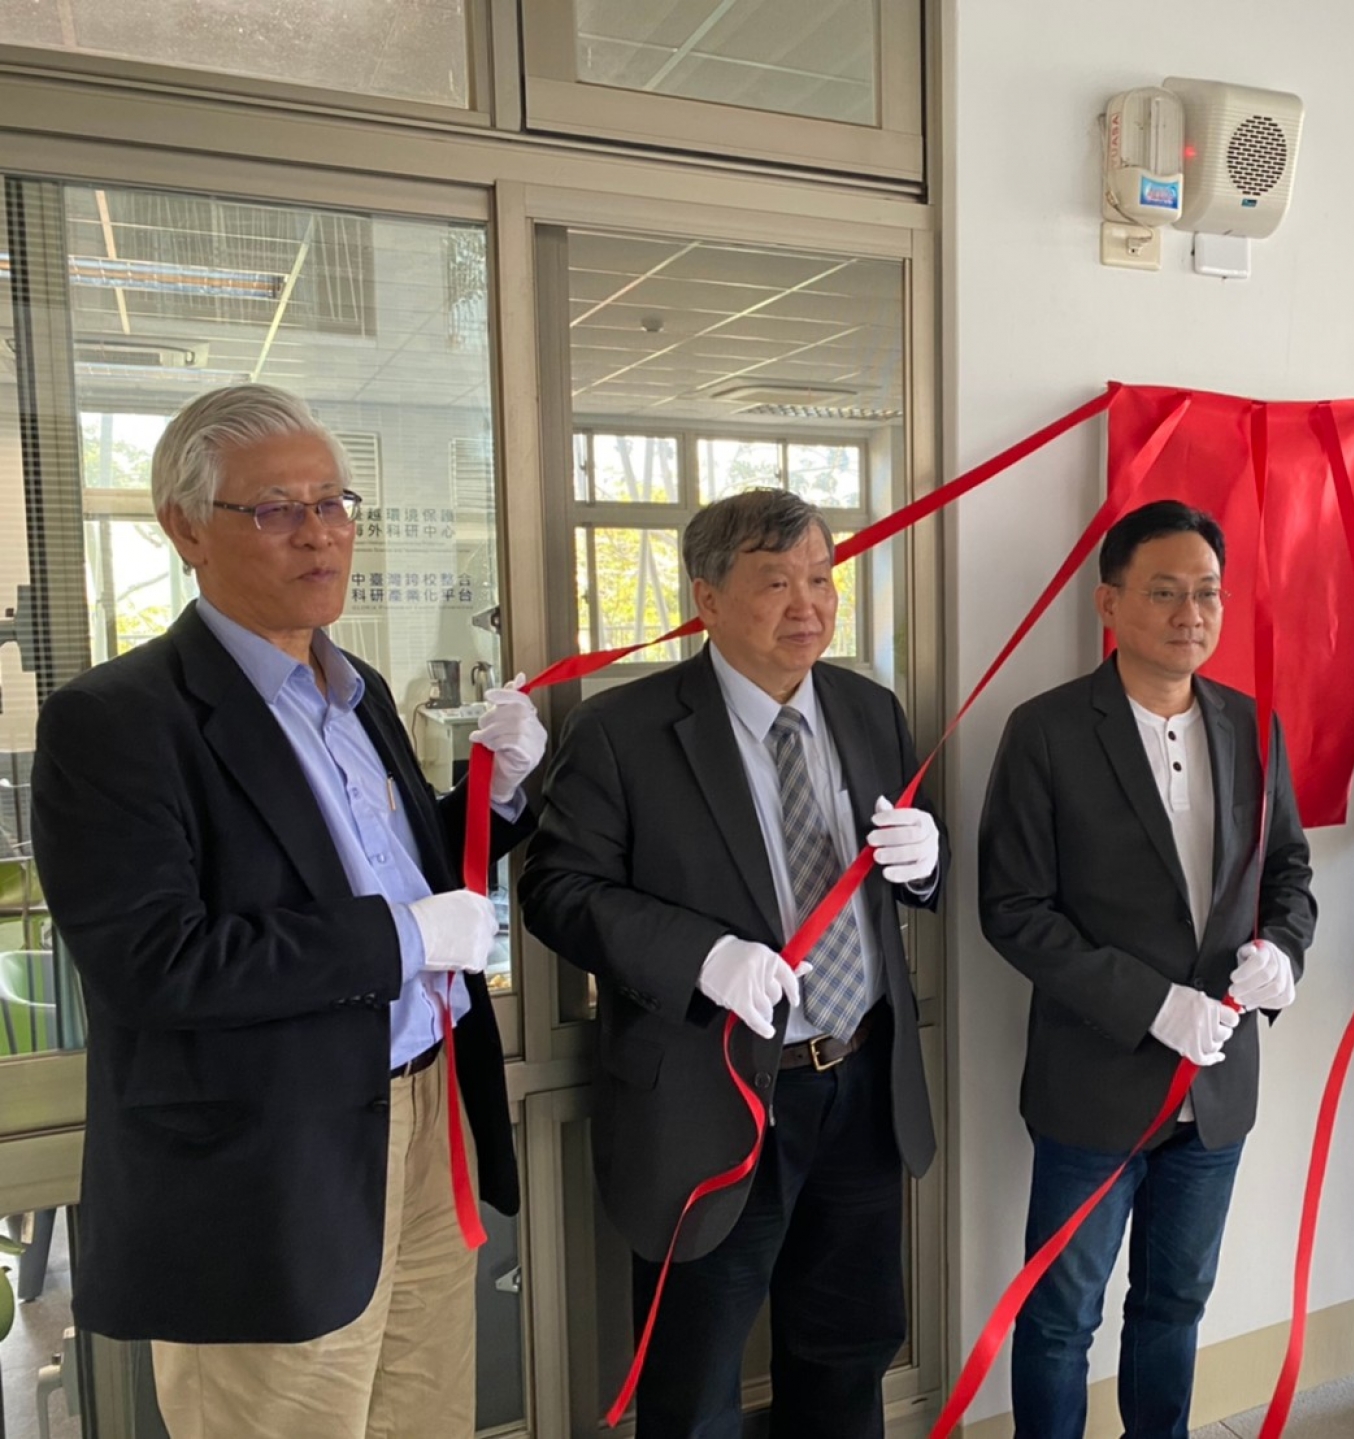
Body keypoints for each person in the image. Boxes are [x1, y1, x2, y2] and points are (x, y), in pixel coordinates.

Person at [31, 384, 544, 1439]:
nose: (320, 533)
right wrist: (403, 938)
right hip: (270, 1167)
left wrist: (496, 798)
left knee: (428, 1418)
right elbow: (156, 962)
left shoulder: (357, 689)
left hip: (425, 1111)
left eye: (334, 502)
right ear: (185, 528)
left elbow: (393, 868)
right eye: (275, 508)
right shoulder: (117, 719)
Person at [520, 487, 945, 1438]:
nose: (809, 605)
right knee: (698, 1376)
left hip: (860, 1080)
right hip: (712, 1095)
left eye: (822, 579)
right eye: (777, 582)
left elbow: (905, 864)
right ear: (707, 598)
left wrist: (927, 862)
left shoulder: (869, 709)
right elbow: (556, 888)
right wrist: (703, 957)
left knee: (848, 1352)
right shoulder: (623, 730)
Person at [977, 500, 1317, 1439]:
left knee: (1175, 1303)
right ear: (1109, 603)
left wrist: (1284, 952)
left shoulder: (1252, 724)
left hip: (1217, 1086)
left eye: (1207, 592)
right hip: (1095, 1084)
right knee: (1061, 1316)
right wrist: (1152, 1005)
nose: (1189, 614)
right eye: (1164, 592)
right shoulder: (1046, 730)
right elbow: (1012, 908)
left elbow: (1287, 872)